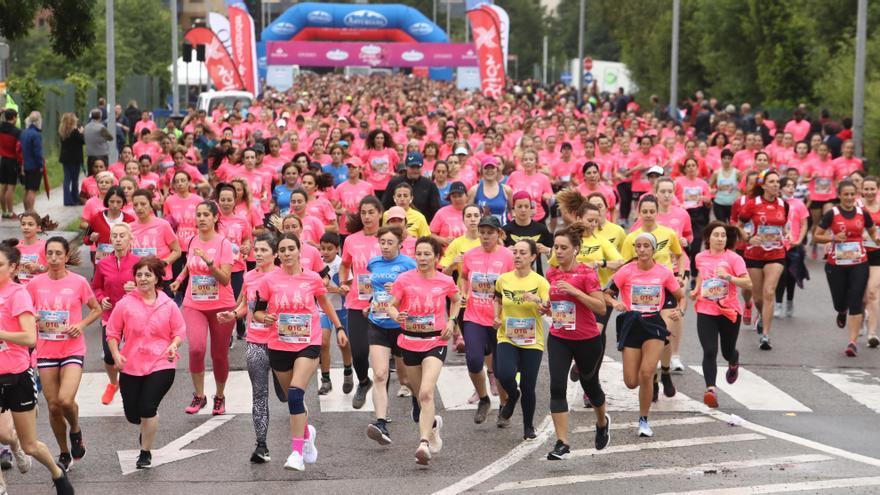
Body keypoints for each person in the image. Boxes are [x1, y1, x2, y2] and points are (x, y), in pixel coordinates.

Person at [253, 233, 346, 471]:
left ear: (298, 251)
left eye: (290, 249)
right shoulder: (268, 280)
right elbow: (258, 313)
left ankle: (296, 453)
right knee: (290, 399)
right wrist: (267, 317)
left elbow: (324, 304)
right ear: (278, 254)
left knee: (295, 394)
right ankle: (307, 433)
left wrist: (339, 328)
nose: (286, 254)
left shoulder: (313, 278)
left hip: (308, 342)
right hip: (279, 343)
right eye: (282, 250)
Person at [0, 239, 75, 494]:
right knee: (1, 435)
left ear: (12, 268)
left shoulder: (17, 294)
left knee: (30, 443)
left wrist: (1, 333)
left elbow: (29, 338)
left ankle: (57, 473)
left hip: (17, 375)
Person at [27, 236, 102, 471]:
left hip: (72, 348)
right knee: (53, 406)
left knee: (65, 400)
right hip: (47, 349)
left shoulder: (78, 282)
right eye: (50, 253)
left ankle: (76, 430)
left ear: (67, 256)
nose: (54, 258)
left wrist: (80, 326)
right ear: (45, 256)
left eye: (59, 253)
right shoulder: (35, 284)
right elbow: (25, 312)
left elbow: (96, 309)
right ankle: (64, 452)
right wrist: (33, 318)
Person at [105, 256, 185, 469]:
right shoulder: (125, 304)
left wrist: (173, 345)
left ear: (158, 278)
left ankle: (145, 451)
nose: (142, 278)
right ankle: (146, 425)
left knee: (148, 407)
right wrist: (115, 354)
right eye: (139, 274)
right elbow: (112, 332)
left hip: (161, 363)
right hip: (131, 363)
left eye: (148, 274)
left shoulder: (168, 305)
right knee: (133, 414)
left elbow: (179, 331)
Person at [387, 236, 460, 466]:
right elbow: (390, 304)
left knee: (427, 392)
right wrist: (395, 315)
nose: (422, 258)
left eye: (427, 254)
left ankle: (423, 444)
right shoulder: (404, 279)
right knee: (419, 396)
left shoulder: (445, 280)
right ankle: (433, 426)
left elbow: (457, 300)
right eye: (419, 253)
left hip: (435, 340)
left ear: (436, 257)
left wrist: (451, 321)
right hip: (409, 341)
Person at [607, 232, 685, 438]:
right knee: (631, 381)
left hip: (653, 324)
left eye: (645, 246)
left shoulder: (664, 272)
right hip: (631, 323)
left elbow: (680, 296)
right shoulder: (626, 271)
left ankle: (643, 421)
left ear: (653, 250)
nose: (641, 250)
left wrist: (681, 310)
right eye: (638, 246)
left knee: (647, 372)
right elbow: (606, 293)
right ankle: (650, 384)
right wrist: (615, 302)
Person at [545, 223, 610, 460]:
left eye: (564, 247)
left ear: (575, 249)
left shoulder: (586, 274)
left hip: (587, 340)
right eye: (556, 247)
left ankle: (602, 422)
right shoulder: (551, 273)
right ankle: (562, 442)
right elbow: (556, 304)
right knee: (556, 386)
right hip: (560, 337)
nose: (558, 251)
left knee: (590, 386)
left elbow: (600, 307)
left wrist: (576, 292)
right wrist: (547, 307)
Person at [218, 234, 281, 463]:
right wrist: (233, 315)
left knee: (289, 395)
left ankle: (303, 437)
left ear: (276, 254)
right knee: (260, 394)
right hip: (256, 341)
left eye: (265, 250)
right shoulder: (249, 276)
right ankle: (261, 445)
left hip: (282, 343)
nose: (260, 254)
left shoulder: (283, 277)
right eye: (258, 250)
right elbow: (245, 305)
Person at [169, 201, 236, 415]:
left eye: (207, 214)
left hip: (221, 305)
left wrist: (210, 264)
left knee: (218, 354)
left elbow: (225, 279)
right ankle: (199, 396)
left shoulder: (224, 244)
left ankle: (219, 396)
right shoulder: (191, 240)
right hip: (194, 303)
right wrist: (179, 279)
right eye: (199, 214)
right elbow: (189, 265)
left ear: (216, 218)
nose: (202, 218)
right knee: (196, 348)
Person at [621, 195, 687, 396]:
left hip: (665, 287)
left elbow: (679, 254)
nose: (648, 215)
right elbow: (625, 264)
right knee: (648, 334)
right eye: (645, 211)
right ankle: (655, 377)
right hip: (642, 292)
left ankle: (665, 372)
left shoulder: (668, 233)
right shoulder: (632, 237)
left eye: (652, 211)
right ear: (638, 213)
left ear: (657, 213)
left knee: (663, 331)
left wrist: (681, 274)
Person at [813, 180, 880, 357]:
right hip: (837, 265)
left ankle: (852, 342)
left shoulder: (862, 213)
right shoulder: (832, 214)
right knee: (840, 302)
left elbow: (872, 232)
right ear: (840, 195)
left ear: (856, 194)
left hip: (859, 263)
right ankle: (841, 311)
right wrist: (833, 239)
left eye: (852, 194)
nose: (850, 198)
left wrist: (877, 239)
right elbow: (816, 237)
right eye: (846, 194)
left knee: (856, 301)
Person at [364, 225, 417, 445]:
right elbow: (375, 290)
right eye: (382, 242)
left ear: (399, 244)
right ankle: (381, 423)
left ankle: (419, 401)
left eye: (390, 243)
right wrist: (370, 303)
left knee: (406, 379)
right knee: (379, 374)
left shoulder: (409, 264)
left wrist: (398, 288)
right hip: (378, 324)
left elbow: (417, 292)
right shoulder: (373, 263)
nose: (385, 247)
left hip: (401, 326)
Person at [690, 222, 752, 408]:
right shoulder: (700, 257)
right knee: (709, 351)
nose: (719, 238)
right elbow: (702, 275)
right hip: (706, 309)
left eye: (723, 235)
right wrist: (696, 289)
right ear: (709, 238)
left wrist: (728, 277)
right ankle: (711, 390)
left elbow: (748, 283)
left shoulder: (734, 259)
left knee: (727, 351)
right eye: (716, 235)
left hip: (729, 311)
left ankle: (734, 360)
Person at [493, 239, 549, 439]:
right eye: (515, 252)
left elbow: (549, 309)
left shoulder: (540, 282)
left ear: (533, 257)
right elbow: (498, 299)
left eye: (523, 253)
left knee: (528, 384)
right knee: (505, 375)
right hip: (507, 336)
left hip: (532, 339)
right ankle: (512, 396)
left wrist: (539, 301)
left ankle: (528, 427)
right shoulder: (504, 279)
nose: (517, 256)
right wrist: (496, 316)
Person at [459, 216, 513, 423]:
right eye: (482, 232)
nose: (485, 236)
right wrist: (464, 292)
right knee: (473, 360)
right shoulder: (470, 255)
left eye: (490, 232)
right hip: (474, 316)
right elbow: (464, 277)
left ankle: (504, 405)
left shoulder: (508, 257)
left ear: (499, 234)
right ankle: (484, 399)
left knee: (501, 369)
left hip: (500, 319)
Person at [338, 196, 383, 409]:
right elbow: (344, 264)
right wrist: (344, 281)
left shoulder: (386, 237)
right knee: (358, 351)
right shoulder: (351, 240)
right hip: (357, 301)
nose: (366, 217)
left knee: (382, 356)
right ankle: (364, 381)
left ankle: (383, 405)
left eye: (371, 212)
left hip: (383, 303)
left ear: (380, 214)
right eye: (363, 213)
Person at [738, 170, 789, 350]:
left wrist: (786, 234)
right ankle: (760, 313)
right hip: (754, 254)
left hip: (776, 254)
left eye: (777, 182)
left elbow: (784, 226)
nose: (776, 185)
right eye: (772, 182)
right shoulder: (752, 205)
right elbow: (739, 225)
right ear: (764, 185)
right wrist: (747, 238)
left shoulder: (784, 204)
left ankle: (765, 335)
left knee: (769, 292)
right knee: (758, 297)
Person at [91, 223, 139, 406]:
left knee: (132, 354)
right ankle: (113, 383)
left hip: (133, 315)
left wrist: (136, 288)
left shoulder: (138, 262)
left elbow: (153, 286)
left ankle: (132, 387)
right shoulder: (103, 264)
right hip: (110, 316)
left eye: (122, 236)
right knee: (110, 356)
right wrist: (101, 298)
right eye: (115, 236)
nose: (118, 239)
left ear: (130, 239)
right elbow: (96, 286)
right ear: (110, 240)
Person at [317, 233, 353, 395]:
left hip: (341, 308)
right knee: (323, 343)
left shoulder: (341, 265)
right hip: (322, 308)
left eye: (329, 249)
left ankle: (348, 372)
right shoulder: (317, 263)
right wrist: (331, 289)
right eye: (322, 248)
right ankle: (326, 380)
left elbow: (349, 290)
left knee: (343, 344)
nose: (325, 252)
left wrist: (342, 289)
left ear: (337, 249)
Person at [129, 189, 181, 293]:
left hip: (161, 277)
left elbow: (177, 251)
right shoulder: (129, 227)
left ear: (150, 204)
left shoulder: (163, 225)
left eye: (143, 204)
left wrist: (165, 262)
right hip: (139, 278)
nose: (139, 208)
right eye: (136, 204)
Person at [502, 191, 553, 276]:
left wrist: (547, 250)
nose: (523, 210)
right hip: (512, 277)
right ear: (513, 208)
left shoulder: (541, 229)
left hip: (536, 276)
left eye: (526, 206)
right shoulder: (506, 230)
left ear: (531, 208)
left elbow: (554, 256)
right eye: (519, 206)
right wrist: (505, 252)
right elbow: (498, 258)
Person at [382, 152, 440, 222]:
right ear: (406, 167)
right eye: (412, 167)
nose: (415, 170)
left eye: (418, 167)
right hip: (397, 225)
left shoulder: (429, 185)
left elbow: (435, 209)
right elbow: (386, 205)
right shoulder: (394, 183)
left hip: (421, 225)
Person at [861, 176, 880, 348]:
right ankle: (859, 316)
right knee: (862, 295)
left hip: (877, 255)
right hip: (857, 254)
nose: (869, 192)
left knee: (873, 292)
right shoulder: (857, 207)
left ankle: (872, 333)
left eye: (872, 189)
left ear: (877, 189)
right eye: (866, 189)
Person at [468, 156, 511, 225]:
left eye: (492, 168)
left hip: (501, 232)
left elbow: (512, 212)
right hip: (481, 233)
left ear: (497, 169)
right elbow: (468, 214)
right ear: (481, 170)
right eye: (486, 168)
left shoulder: (506, 190)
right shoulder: (474, 190)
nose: (489, 171)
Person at [15, 211, 53, 285]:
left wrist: (39, 267)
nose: (26, 227)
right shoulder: (16, 247)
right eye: (23, 224)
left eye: (30, 224)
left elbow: (54, 269)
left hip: (39, 287)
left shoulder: (45, 246)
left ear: (38, 228)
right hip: (19, 288)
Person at [58, 113, 85, 206]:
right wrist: (81, 133)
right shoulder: (75, 132)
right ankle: (74, 197)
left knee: (67, 179)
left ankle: (67, 199)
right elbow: (82, 142)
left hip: (65, 158)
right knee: (75, 179)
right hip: (75, 158)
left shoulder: (62, 132)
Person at [20, 112, 44, 212]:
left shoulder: (24, 132)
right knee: (32, 190)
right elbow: (37, 152)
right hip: (34, 165)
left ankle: (26, 210)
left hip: (25, 164)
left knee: (27, 189)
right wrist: (41, 164)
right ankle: (31, 211)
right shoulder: (36, 135)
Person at [709, 149, 739, 223]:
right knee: (722, 225)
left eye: (729, 158)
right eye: (724, 158)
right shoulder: (716, 173)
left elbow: (743, 185)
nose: (726, 160)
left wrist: (739, 193)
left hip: (733, 204)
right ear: (721, 159)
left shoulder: (737, 172)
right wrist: (716, 190)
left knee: (732, 226)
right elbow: (708, 187)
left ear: (732, 160)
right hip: (719, 203)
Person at [0, 109, 20, 218]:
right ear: (13, 118)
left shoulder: (1, 128)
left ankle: (4, 212)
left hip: (2, 160)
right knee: (10, 188)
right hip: (12, 160)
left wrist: (1, 111)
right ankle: (11, 212)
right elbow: (19, 148)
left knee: (3, 187)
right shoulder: (17, 132)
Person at [84, 108, 113, 176]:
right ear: (100, 116)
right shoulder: (101, 127)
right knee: (103, 174)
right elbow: (110, 137)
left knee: (91, 174)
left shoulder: (86, 127)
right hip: (101, 154)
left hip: (90, 154)